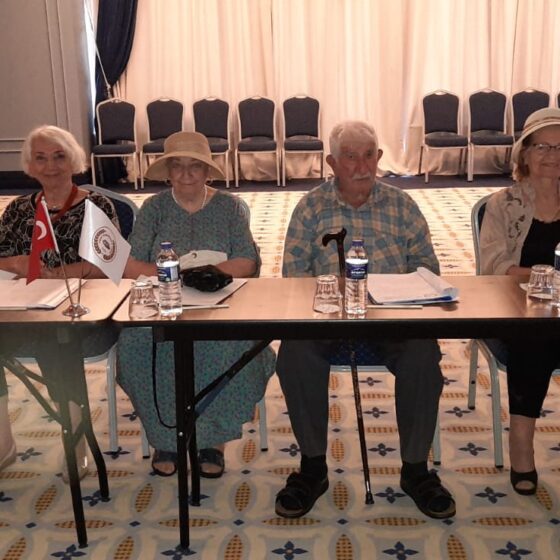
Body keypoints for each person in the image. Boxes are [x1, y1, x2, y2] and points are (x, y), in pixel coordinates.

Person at [275, 120, 455, 520]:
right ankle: (313, 467)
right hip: (326, 317)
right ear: (331, 163)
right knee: (294, 354)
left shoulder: (402, 205)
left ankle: (416, 469)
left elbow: (427, 267)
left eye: (369, 156)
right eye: (350, 157)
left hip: (393, 316)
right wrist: (330, 289)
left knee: (423, 354)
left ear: (379, 157)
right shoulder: (311, 208)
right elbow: (292, 276)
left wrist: (395, 289)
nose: (361, 166)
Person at [118, 131, 275, 478]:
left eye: (195, 167)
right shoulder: (154, 209)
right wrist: (176, 275)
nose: (187, 174)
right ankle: (166, 436)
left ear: (207, 172)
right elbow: (130, 266)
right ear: (168, 172)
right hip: (164, 304)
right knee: (136, 344)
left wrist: (212, 274)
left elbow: (247, 261)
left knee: (230, 346)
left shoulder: (229, 208)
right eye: (178, 166)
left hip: (220, 305)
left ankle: (212, 441)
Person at [0, 125, 119, 478]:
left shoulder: (97, 206)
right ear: (29, 166)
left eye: (59, 156)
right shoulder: (18, 210)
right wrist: (15, 263)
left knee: (55, 340)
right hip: (25, 309)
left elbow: (111, 265)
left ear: (74, 160)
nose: (50, 166)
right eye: (41, 158)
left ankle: (76, 444)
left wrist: (61, 273)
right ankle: (3, 443)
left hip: (85, 313)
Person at [480, 107, 560, 495]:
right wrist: (546, 279)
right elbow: (494, 266)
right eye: (542, 146)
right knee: (537, 335)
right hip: (513, 310)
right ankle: (522, 444)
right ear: (524, 154)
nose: (552, 155)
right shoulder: (503, 204)